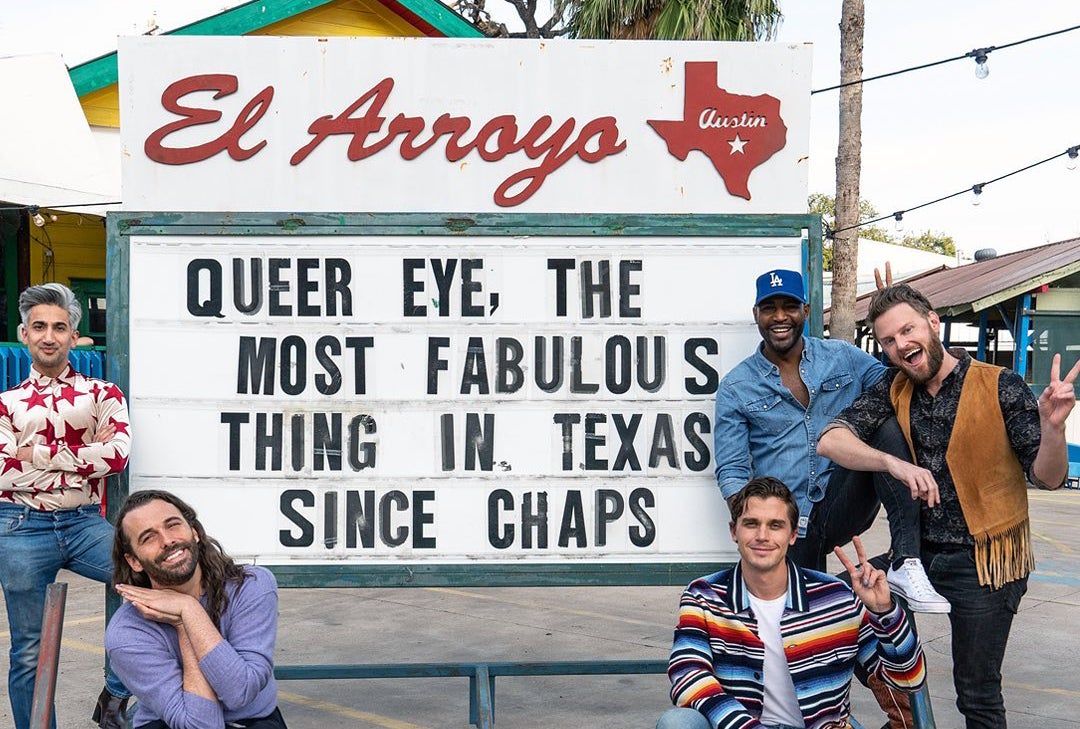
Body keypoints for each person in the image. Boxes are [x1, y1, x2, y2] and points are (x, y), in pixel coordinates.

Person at [819, 283, 1079, 729]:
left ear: (932, 323)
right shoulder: (893, 388)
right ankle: (904, 717)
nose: (901, 345)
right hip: (918, 556)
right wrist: (892, 464)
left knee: (976, 694)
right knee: (834, 602)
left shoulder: (1001, 385)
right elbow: (830, 439)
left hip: (987, 559)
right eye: (888, 340)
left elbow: (1048, 478)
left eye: (907, 330)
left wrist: (1053, 429)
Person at [714, 269, 948, 613]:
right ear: (757, 315)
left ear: (806, 311)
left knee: (881, 420)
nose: (780, 316)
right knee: (800, 621)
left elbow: (899, 383)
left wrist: (893, 311)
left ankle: (906, 561)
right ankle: (846, 607)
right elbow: (732, 469)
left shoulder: (842, 357)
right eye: (769, 308)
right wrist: (753, 525)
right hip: (789, 518)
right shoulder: (736, 386)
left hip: (843, 499)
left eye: (790, 306)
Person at [657, 477, 926, 729]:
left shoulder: (837, 597)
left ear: (793, 534)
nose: (762, 535)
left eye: (775, 525)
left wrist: (885, 612)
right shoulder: (704, 595)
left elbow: (908, 679)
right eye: (751, 523)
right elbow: (688, 675)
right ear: (734, 531)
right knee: (678, 722)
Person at [0, 282, 133, 729]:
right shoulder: (6, 404)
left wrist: (31, 455)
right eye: (39, 327)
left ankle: (115, 693)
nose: (49, 336)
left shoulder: (103, 394)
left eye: (60, 327)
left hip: (82, 523)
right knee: (28, 650)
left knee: (145, 575)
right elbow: (2, 473)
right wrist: (83, 461)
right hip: (18, 527)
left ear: (75, 336)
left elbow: (117, 456)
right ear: (24, 333)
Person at [105, 490, 287, 729]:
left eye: (173, 525)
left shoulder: (251, 586)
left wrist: (189, 609)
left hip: (253, 721)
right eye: (148, 537)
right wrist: (183, 624)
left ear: (195, 532)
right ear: (134, 561)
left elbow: (240, 692)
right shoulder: (126, 633)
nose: (168, 540)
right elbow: (202, 725)